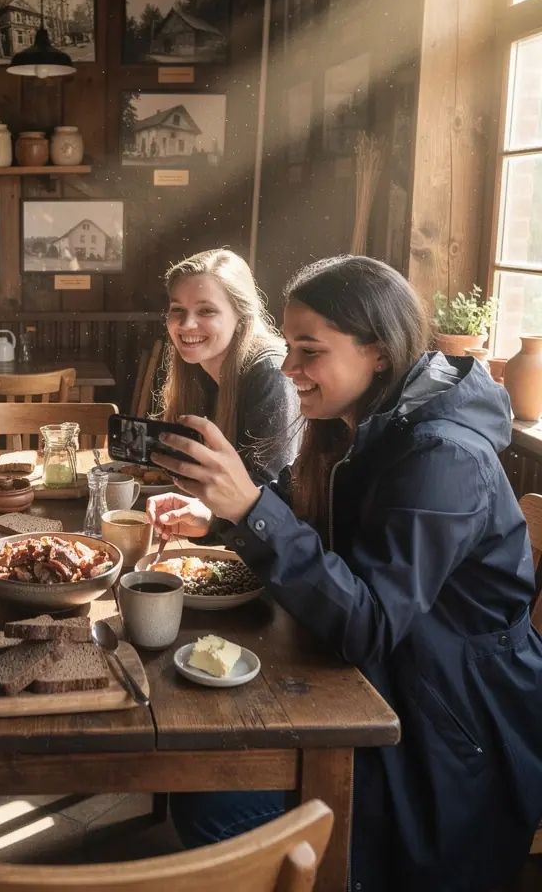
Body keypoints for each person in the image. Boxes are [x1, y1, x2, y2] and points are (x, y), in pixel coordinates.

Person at [147, 255, 542, 891]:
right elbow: (326, 537)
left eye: (309, 350)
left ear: (379, 352)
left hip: (452, 732)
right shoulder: (363, 426)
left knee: (213, 802)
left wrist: (249, 508)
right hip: (386, 687)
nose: (286, 368)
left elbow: (370, 625)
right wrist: (222, 518)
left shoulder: (443, 455)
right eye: (289, 344)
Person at [158, 249, 298, 487]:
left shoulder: (270, 372)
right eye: (178, 309)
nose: (186, 324)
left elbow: (267, 489)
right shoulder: (194, 365)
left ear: (241, 316)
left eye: (206, 311)